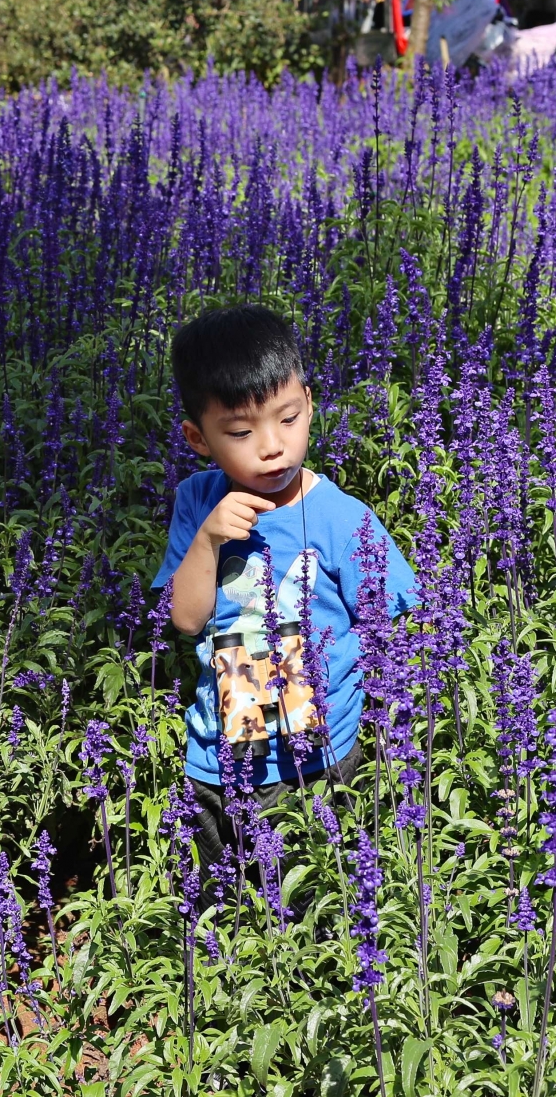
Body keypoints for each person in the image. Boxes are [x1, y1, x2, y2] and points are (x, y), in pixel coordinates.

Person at [152, 304, 416, 910]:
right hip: (221, 757)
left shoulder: (341, 517)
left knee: (321, 904)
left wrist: (394, 725)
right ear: (198, 438)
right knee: (230, 906)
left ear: (309, 402)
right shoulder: (197, 503)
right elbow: (184, 618)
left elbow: (400, 625)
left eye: (288, 419)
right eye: (241, 433)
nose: (272, 447)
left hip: (323, 756)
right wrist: (208, 541)